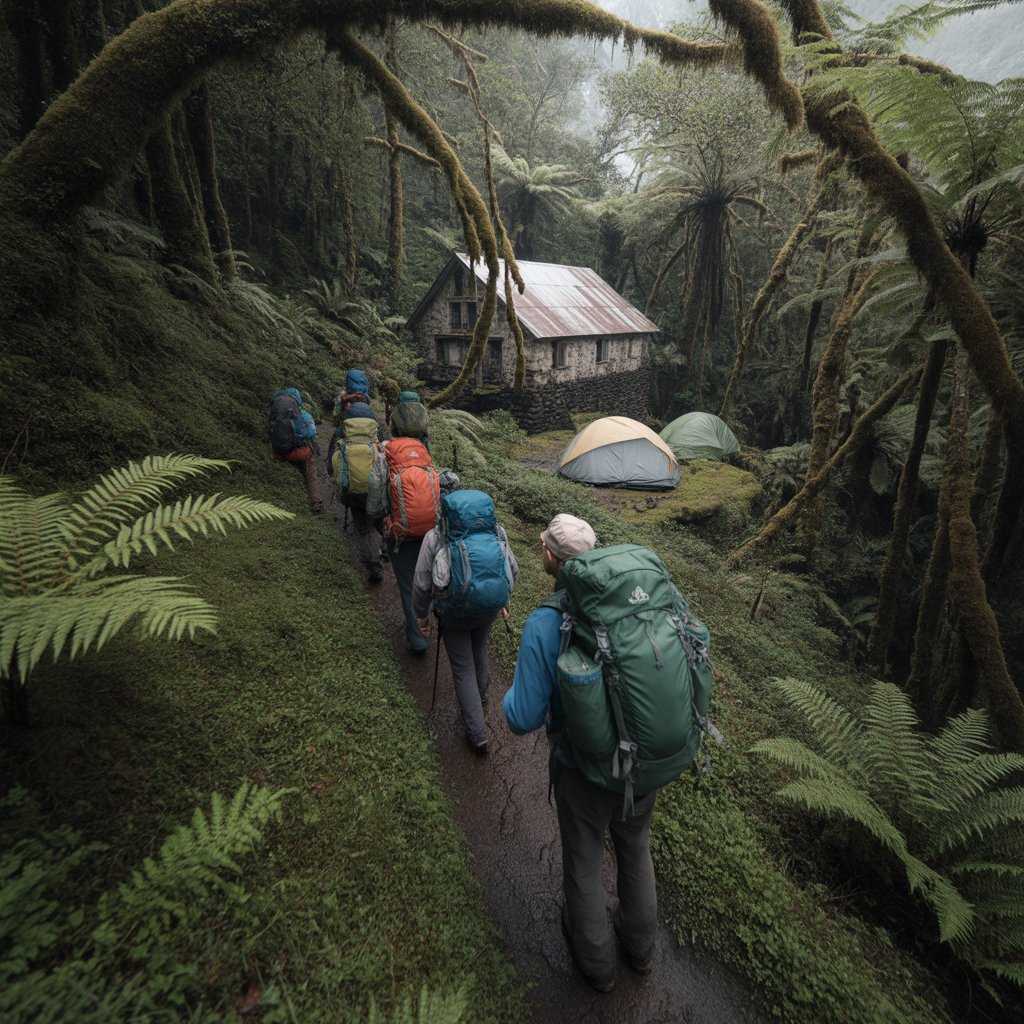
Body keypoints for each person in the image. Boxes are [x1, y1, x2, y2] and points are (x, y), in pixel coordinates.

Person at [502, 514, 655, 994]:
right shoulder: (630, 607)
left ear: (551, 558)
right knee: (636, 847)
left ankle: (597, 966)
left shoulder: (545, 623)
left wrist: (509, 697)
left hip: (583, 770)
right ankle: (640, 949)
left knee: (585, 861)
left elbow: (521, 717)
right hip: (642, 764)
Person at [412, 487, 517, 754]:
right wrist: (503, 603)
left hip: (454, 613)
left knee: (462, 668)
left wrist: (421, 616)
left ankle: (478, 734)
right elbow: (511, 569)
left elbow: (422, 583)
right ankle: (481, 695)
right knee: (479, 648)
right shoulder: (497, 532)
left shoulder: (435, 537)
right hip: (488, 609)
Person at [332, 398, 384, 581]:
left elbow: (334, 464)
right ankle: (380, 555)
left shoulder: (343, 438)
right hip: (374, 491)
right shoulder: (376, 440)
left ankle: (370, 563)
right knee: (375, 525)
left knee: (362, 528)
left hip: (353, 493)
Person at [268, 386, 322, 515]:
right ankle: (315, 502)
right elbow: (312, 433)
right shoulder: (305, 416)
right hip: (299, 453)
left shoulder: (274, 414)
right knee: (311, 471)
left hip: (278, 453)